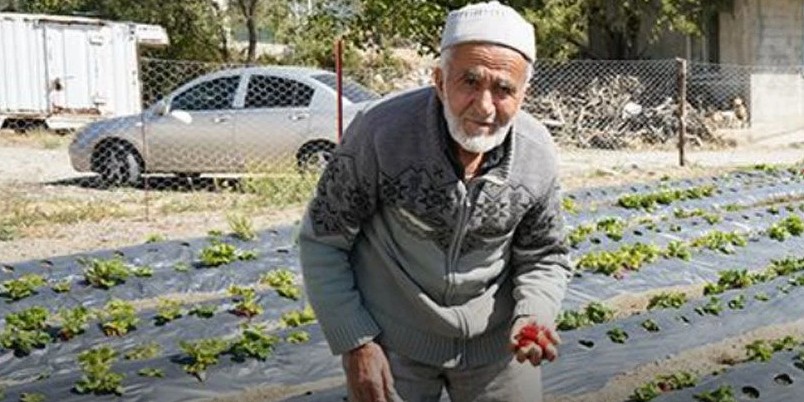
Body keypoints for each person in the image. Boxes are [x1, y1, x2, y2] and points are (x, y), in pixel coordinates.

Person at [298, 2, 572, 401]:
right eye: (469, 82)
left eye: (504, 89)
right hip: (393, 341)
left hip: (495, 348)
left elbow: (545, 253)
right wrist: (356, 342)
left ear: (524, 94)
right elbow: (324, 240)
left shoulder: (536, 154)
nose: (484, 107)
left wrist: (534, 315)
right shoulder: (381, 134)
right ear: (440, 81)